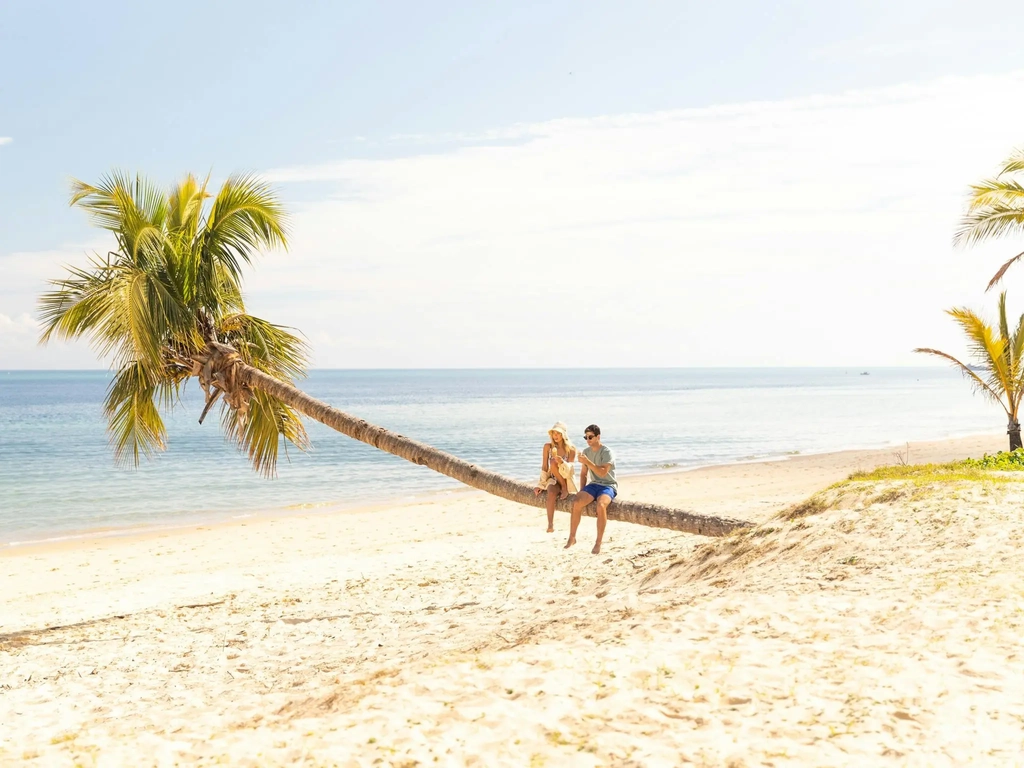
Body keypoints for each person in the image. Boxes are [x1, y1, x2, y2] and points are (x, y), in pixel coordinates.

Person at [565, 424, 617, 554]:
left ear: (598, 437)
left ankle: (598, 542)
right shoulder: (586, 452)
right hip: (593, 485)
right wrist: (582, 491)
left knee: (601, 506)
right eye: (586, 437)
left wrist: (587, 462)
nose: (588, 440)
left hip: (608, 485)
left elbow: (603, 472)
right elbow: (583, 474)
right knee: (577, 502)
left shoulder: (607, 452)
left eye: (590, 437)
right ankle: (572, 537)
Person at [533, 422, 577, 533]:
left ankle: (564, 487)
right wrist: (541, 485)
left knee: (553, 462)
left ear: (564, 434)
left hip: (565, 478)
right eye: (554, 433)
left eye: (558, 433)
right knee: (551, 492)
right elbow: (544, 466)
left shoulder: (571, 449)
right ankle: (550, 524)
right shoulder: (548, 447)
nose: (555, 436)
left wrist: (562, 462)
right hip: (553, 479)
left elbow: (571, 469)